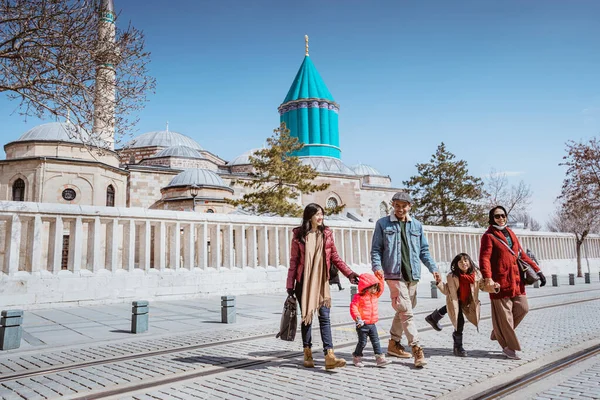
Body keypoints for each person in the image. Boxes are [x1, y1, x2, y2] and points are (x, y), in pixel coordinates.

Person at [286, 203, 360, 370]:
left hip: (322, 281)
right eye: (317, 214)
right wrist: (290, 285)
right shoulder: (299, 235)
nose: (320, 217)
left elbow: (335, 257)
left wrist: (349, 274)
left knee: (325, 317)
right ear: (309, 216)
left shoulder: (326, 233)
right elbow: (294, 262)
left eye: (322, 214)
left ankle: (329, 355)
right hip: (304, 282)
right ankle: (307, 352)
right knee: (307, 318)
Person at [371, 191, 440, 367]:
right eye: (397, 205)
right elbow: (376, 250)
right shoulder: (383, 224)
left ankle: (394, 343)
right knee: (407, 313)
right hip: (393, 274)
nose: (400, 209)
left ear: (410, 207)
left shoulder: (416, 225)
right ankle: (417, 348)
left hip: (413, 274)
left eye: (404, 206)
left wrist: (434, 268)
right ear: (392, 205)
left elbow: (424, 250)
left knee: (403, 310)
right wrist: (377, 268)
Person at [479, 206, 547, 360]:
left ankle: (499, 332)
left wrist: (538, 271)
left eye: (503, 215)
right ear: (492, 218)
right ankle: (509, 347)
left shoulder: (510, 233)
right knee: (505, 318)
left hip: (516, 281)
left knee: (523, 308)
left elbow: (521, 254)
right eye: (497, 216)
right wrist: (488, 278)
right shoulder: (488, 236)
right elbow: (484, 259)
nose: (501, 218)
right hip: (499, 282)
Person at [425, 253, 499, 357]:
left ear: (470, 262)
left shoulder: (477, 275)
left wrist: (493, 287)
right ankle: (458, 347)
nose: (463, 263)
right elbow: (447, 291)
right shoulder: (452, 276)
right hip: (456, 300)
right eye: (460, 261)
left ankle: (433, 317)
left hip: (469, 301)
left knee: (452, 309)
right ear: (456, 264)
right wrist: (439, 282)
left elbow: (483, 287)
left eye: (465, 260)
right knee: (459, 322)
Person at [350, 272, 391, 367]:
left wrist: (380, 279)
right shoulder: (358, 297)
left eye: (376, 287)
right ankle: (357, 356)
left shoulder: (375, 295)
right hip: (362, 324)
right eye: (373, 287)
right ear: (366, 287)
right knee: (362, 342)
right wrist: (357, 318)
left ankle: (380, 358)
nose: (375, 290)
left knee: (376, 341)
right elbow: (353, 307)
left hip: (372, 324)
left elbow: (381, 289)